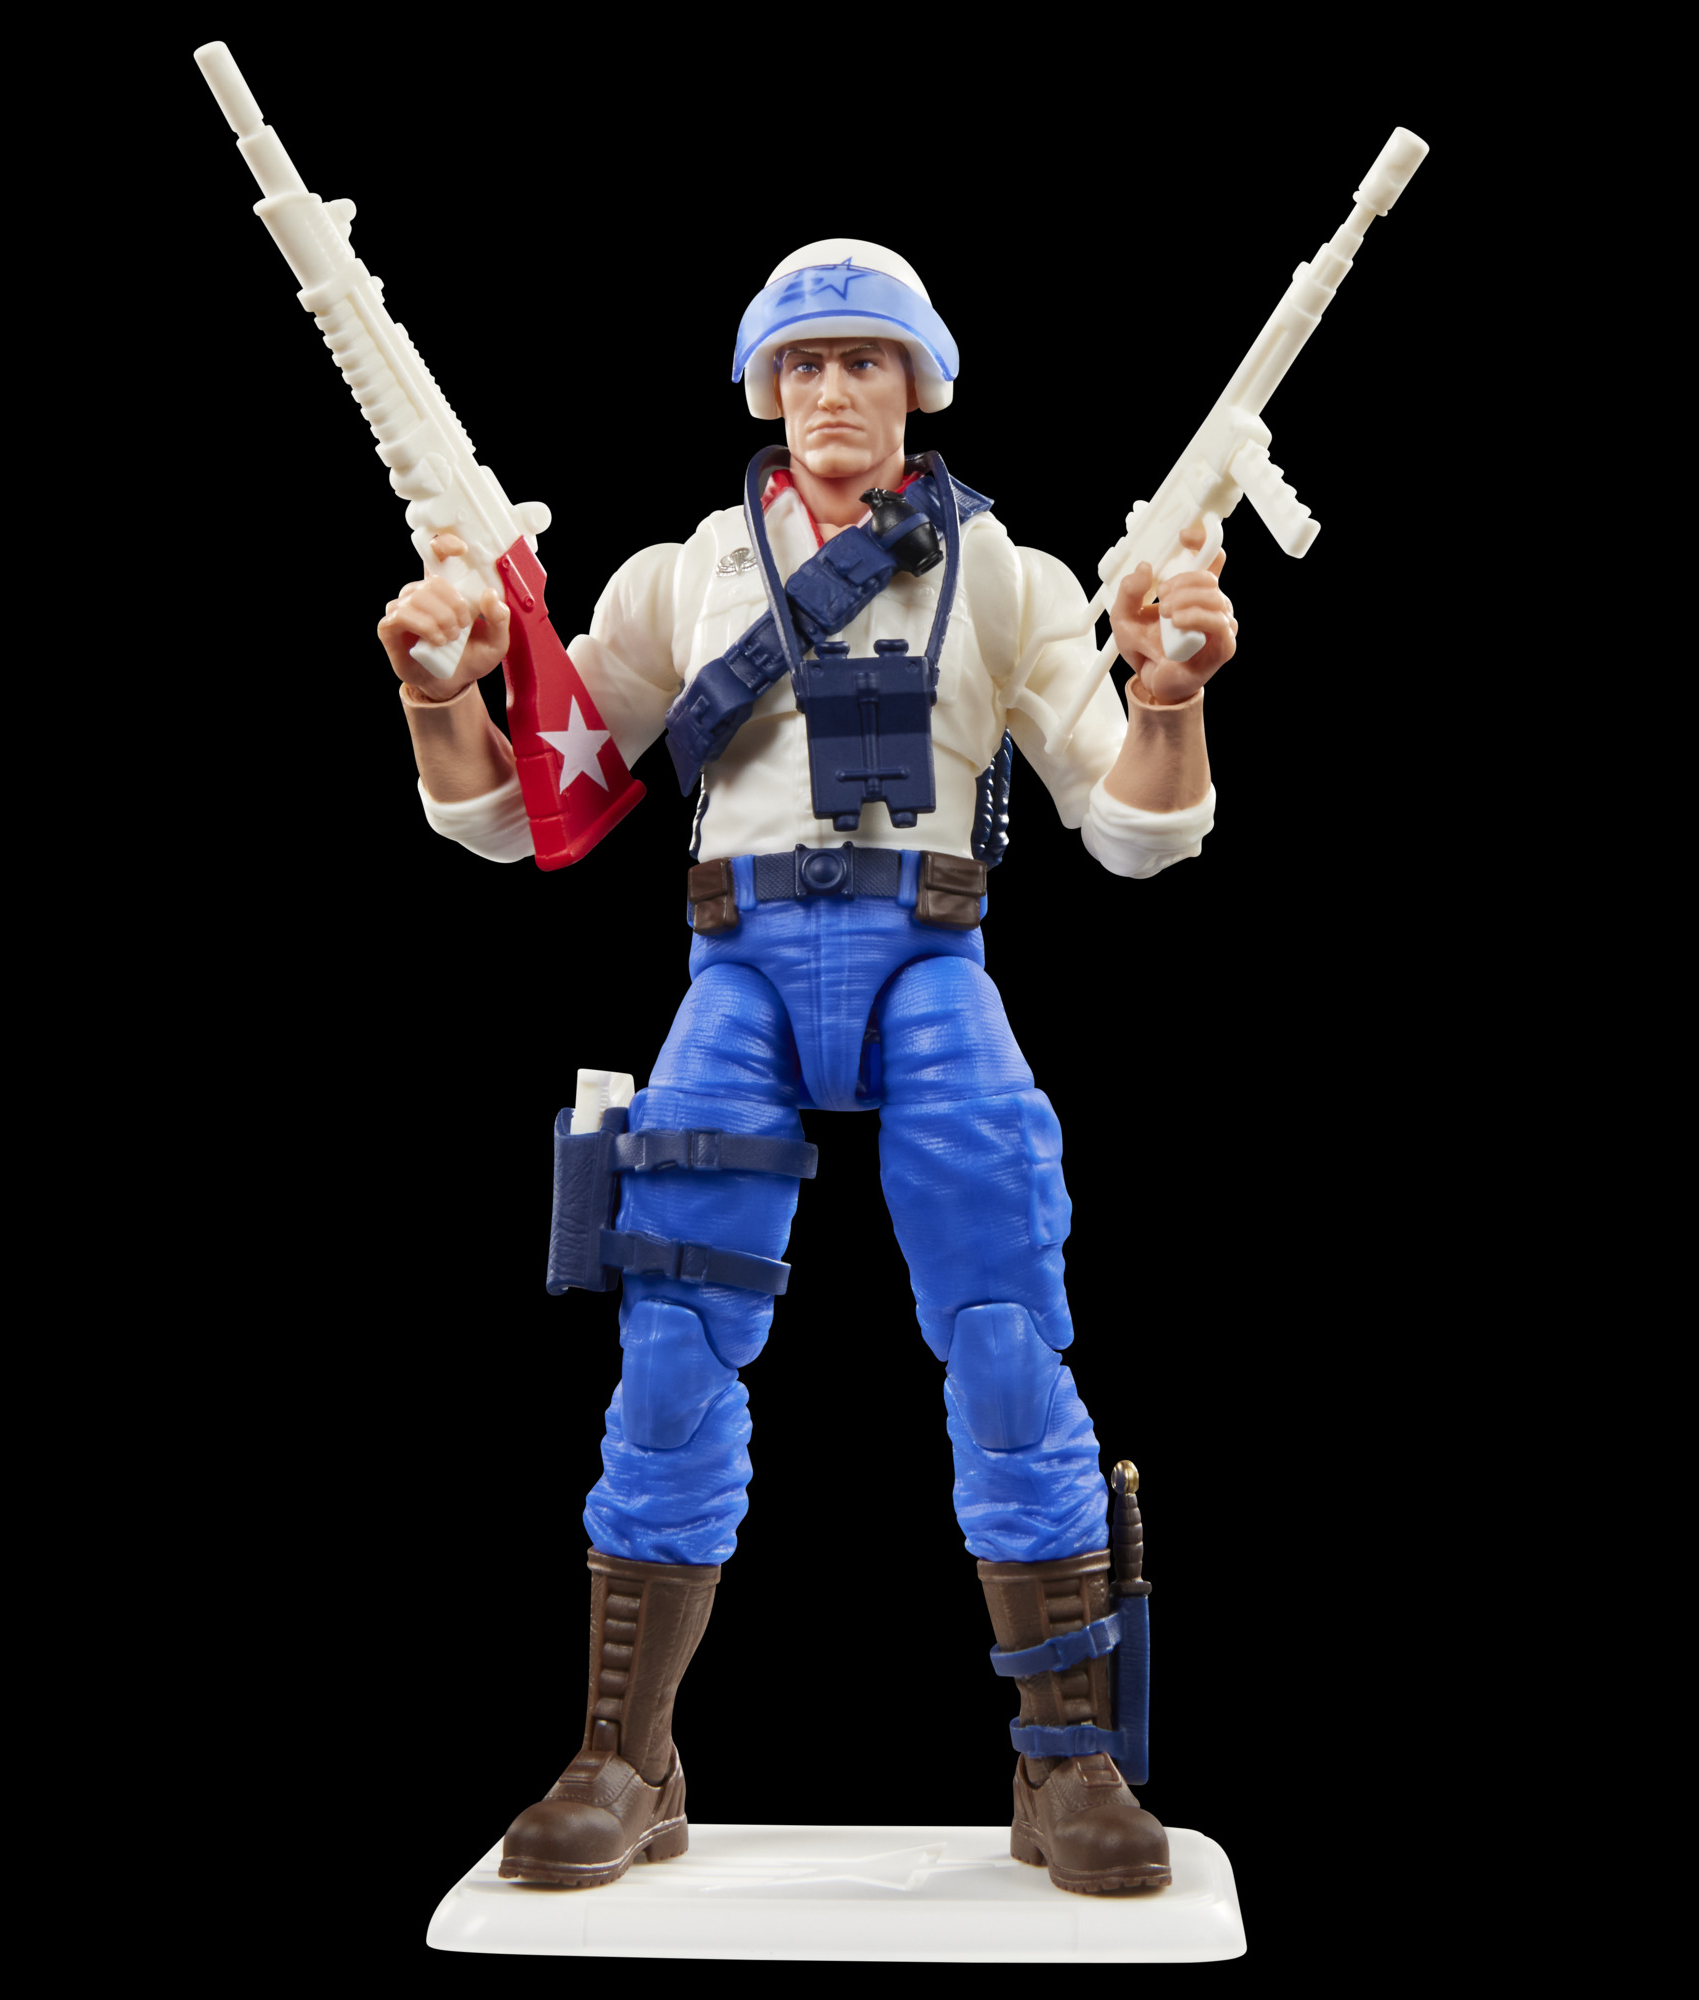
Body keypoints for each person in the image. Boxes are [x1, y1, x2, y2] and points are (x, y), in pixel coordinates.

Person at [377, 241, 1237, 1897]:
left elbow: (1135, 831)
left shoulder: (1001, 574)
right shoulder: (687, 577)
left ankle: (1067, 1766)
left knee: (1006, 1331)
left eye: (865, 359)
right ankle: (626, 1759)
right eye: (804, 363)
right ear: (767, 389)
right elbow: (514, 807)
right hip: (740, 968)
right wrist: (442, 688)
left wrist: (1171, 694)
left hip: (931, 959)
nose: (832, 390)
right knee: (672, 1340)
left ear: (920, 383)